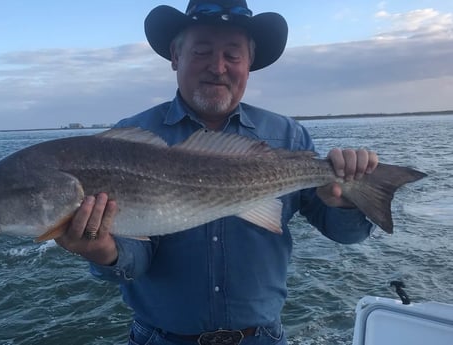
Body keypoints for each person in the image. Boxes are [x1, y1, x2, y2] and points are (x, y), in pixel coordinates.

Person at [56, 1, 378, 344]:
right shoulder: (128, 141)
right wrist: (100, 249)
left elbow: (347, 235)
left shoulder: (287, 136)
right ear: (175, 57)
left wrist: (343, 201)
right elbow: (135, 260)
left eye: (233, 55)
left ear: (249, 64)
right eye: (202, 51)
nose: (218, 67)